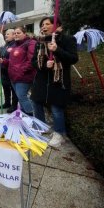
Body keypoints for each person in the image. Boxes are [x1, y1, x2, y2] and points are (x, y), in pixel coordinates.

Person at [31, 16, 78, 147]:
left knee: (56, 108)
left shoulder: (67, 39)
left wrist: (57, 50)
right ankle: (41, 127)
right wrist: (45, 65)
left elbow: (73, 58)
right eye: (42, 25)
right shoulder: (40, 42)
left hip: (58, 80)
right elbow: (34, 62)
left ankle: (59, 133)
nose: (43, 27)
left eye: (47, 24)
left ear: (57, 26)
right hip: (42, 80)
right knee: (36, 102)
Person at [0, 26, 37, 115]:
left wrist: (20, 71)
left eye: (18, 33)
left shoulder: (30, 43)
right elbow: (12, 61)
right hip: (13, 76)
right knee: (20, 98)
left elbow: (31, 61)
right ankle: (25, 115)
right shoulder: (15, 45)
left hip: (24, 76)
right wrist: (4, 61)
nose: (16, 35)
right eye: (15, 33)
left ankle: (32, 115)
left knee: (22, 96)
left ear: (24, 33)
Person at [0, 29, 18, 112]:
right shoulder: (5, 45)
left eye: (8, 34)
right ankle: (7, 102)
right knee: (5, 87)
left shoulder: (15, 45)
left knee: (13, 89)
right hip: (2, 70)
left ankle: (14, 105)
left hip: (10, 70)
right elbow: (0, 56)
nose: (6, 35)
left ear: (13, 35)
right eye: (5, 34)